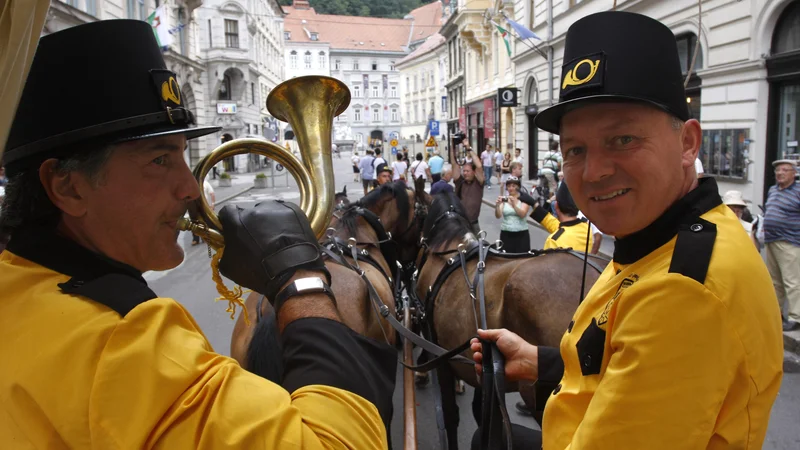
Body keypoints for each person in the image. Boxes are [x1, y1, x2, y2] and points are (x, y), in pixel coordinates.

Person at [0, 21, 394, 448]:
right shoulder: (124, 345)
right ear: (68, 187)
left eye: (183, 156)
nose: (190, 188)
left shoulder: (15, 284)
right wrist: (299, 277)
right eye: (158, 160)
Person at [470, 11, 782, 450]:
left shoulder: (683, 293)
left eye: (622, 140)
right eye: (575, 149)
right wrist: (539, 361)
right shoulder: (664, 236)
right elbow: (622, 358)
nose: (593, 172)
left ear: (687, 143)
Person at [764, 159, 800, 332]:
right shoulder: (773, 190)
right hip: (771, 240)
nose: (780, 173)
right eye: (778, 170)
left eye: (784, 170)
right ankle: (776, 313)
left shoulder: (798, 190)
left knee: (792, 281)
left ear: (794, 173)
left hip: (789, 241)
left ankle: (795, 317)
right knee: (774, 281)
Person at [522, 181, 592, 252]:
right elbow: (559, 227)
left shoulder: (554, 241)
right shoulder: (586, 228)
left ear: (556, 206)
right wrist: (534, 204)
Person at [451, 145, 485, 230]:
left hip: (473, 223)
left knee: (478, 243)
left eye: (468, 171)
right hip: (460, 223)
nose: (465, 173)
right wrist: (453, 147)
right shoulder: (460, 182)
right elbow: (454, 164)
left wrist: (468, 147)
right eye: (464, 171)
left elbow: (479, 166)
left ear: (474, 172)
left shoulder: (479, 183)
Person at [494, 176, 530, 253]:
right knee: (506, 258)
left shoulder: (524, 199)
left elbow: (522, 214)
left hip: (521, 233)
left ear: (518, 187)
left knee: (522, 258)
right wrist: (497, 205)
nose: (511, 188)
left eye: (513, 186)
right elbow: (498, 215)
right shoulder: (504, 199)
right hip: (506, 233)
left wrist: (514, 205)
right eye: (509, 186)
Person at [192, 179, 216, 246]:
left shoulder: (205, 183)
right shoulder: (191, 183)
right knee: (194, 222)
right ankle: (195, 239)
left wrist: (212, 204)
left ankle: (204, 237)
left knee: (204, 221)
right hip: (194, 205)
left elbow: (212, 193)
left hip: (204, 205)